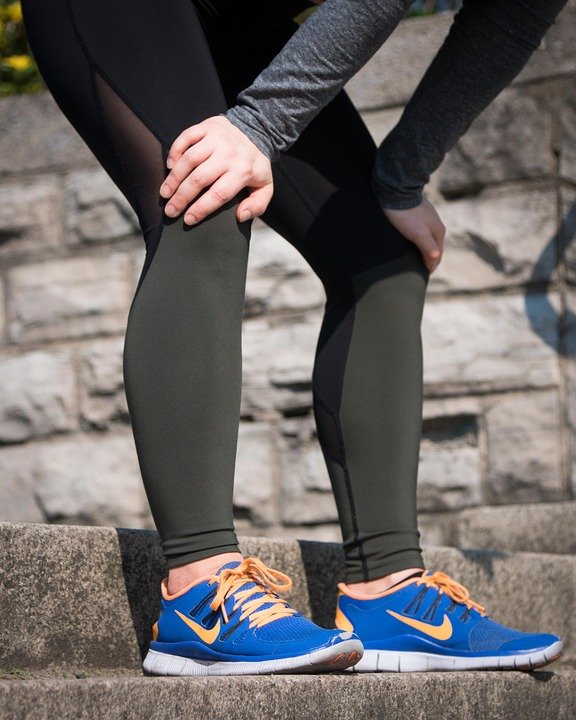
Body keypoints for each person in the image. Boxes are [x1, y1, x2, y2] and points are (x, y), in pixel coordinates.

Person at [19, 0, 566, 676]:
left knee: (383, 258)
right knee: (209, 196)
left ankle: (388, 593)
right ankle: (197, 596)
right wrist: (257, 127)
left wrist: (400, 179)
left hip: (241, 26)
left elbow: (512, 17)